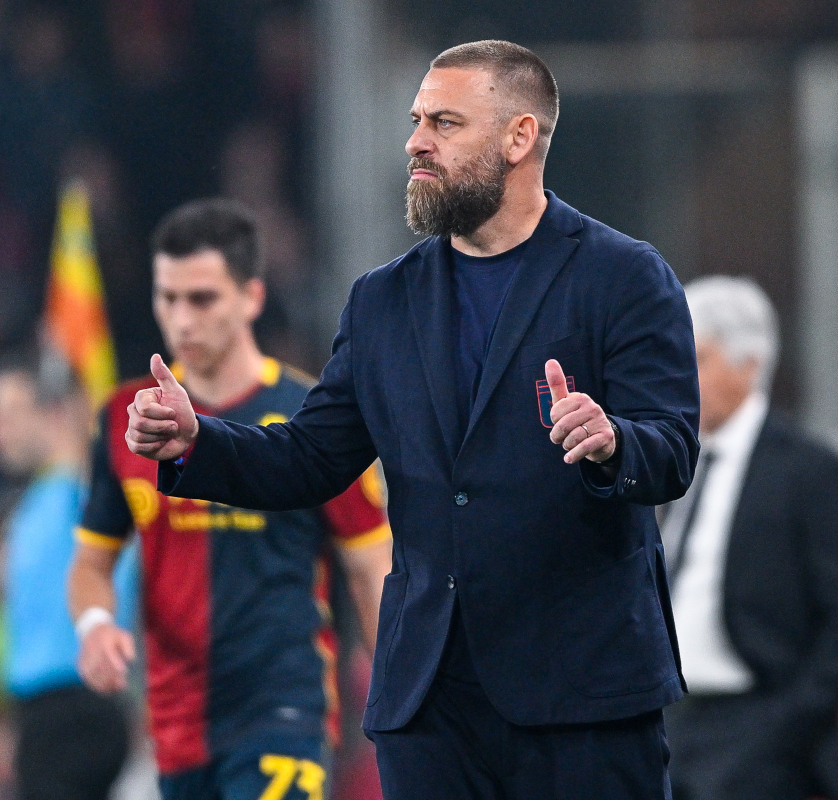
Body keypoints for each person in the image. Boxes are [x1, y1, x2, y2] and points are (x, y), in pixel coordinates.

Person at [126, 41, 700, 799]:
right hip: (430, 704)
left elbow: (673, 446)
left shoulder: (623, 276)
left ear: (519, 138)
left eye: (445, 122)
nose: (416, 141)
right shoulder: (382, 299)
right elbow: (309, 457)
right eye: (416, 119)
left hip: (582, 696)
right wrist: (199, 439)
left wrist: (612, 441)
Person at [68, 198, 392, 800]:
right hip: (174, 721)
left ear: (252, 297)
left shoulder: (315, 418)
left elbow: (371, 564)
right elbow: (91, 562)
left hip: (285, 709)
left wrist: (403, 693)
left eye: (202, 298)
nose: (182, 320)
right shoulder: (125, 419)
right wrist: (94, 625)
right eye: (168, 298)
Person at [662, 276, 838, 800]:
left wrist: (787, 727)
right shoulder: (673, 463)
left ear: (750, 363)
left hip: (757, 732)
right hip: (671, 728)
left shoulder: (806, 470)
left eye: (698, 358)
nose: (679, 377)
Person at [0, 350, 138, 800]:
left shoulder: (81, 487)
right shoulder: (39, 501)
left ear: (52, 413)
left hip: (73, 708)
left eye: (6, 412)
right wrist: (16, 720)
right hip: (43, 712)